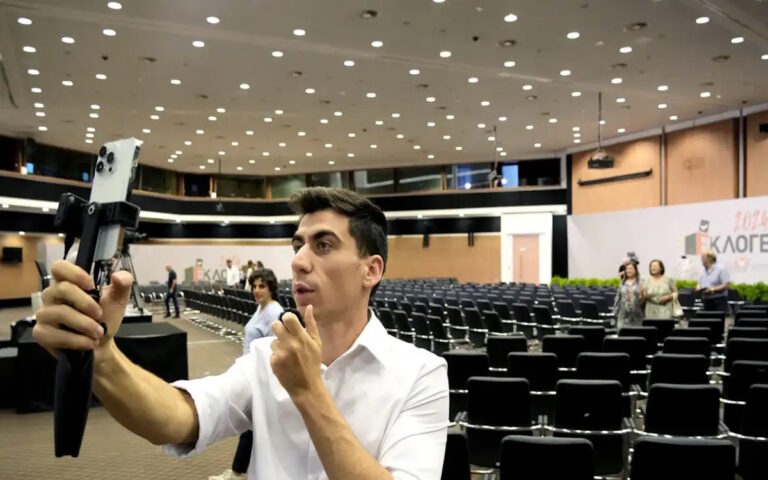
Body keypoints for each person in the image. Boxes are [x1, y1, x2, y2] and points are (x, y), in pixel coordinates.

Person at [32, 187, 449, 479]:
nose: (299, 261)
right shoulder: (267, 356)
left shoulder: (421, 374)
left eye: (323, 245)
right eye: (298, 245)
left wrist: (308, 392)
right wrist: (101, 353)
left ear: (371, 270)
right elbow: (178, 418)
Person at [211, 268, 283, 480]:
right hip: (251, 374)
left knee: (251, 428)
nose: (257, 290)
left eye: (262, 286)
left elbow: (275, 348)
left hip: (263, 377)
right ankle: (241, 471)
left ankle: (236, 473)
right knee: (253, 428)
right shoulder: (261, 308)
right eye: (254, 286)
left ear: (271, 288)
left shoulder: (274, 313)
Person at [614, 262, 644, 327]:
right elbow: (618, 297)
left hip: (637, 314)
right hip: (623, 314)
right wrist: (615, 312)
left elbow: (643, 299)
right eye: (627, 269)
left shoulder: (641, 282)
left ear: (635, 270)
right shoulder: (622, 282)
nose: (628, 270)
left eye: (630, 268)